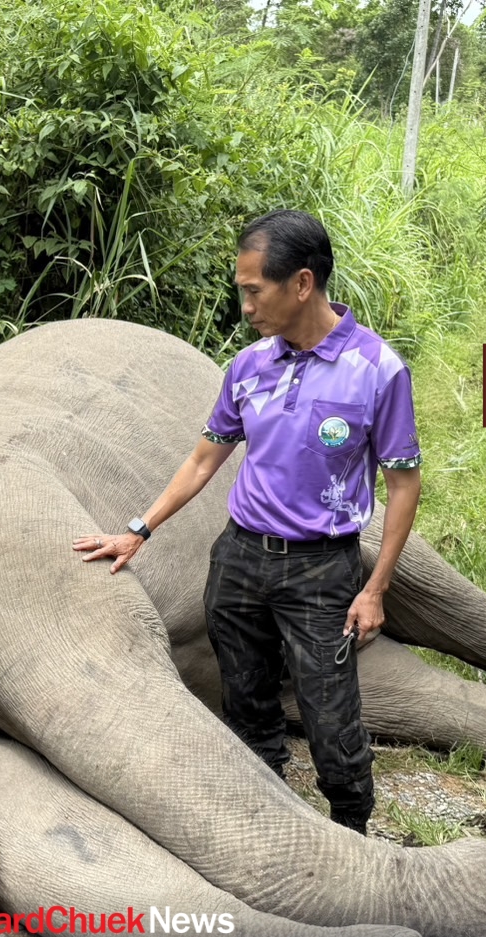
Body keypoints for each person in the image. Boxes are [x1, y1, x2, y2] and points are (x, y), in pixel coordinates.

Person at [73, 209, 422, 833]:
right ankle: (267, 820)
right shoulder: (250, 366)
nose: (246, 306)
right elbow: (205, 458)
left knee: (329, 713)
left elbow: (402, 485)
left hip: (322, 569)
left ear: (302, 284)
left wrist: (376, 589)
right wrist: (138, 529)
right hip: (238, 561)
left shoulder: (377, 370)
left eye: (253, 290)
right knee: (246, 701)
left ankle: (352, 832)